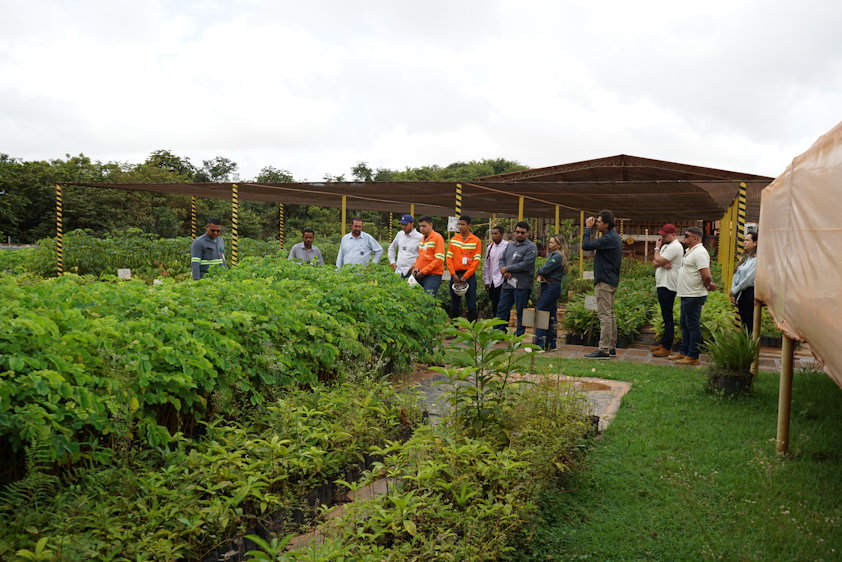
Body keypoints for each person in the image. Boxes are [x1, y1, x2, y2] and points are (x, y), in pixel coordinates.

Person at [671, 226, 717, 365]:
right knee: (685, 324)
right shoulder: (690, 251)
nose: (684, 238)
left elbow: (706, 274)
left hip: (694, 294)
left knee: (692, 325)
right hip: (687, 293)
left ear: (696, 238)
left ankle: (693, 355)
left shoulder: (700, 253)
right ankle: (684, 351)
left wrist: (707, 285)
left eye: (686, 235)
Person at [581, 210, 622, 359]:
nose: (596, 224)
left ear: (606, 223)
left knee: (604, 315)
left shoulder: (609, 238)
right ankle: (610, 347)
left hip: (604, 281)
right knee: (610, 315)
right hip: (610, 279)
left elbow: (585, 246)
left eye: (598, 222)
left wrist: (587, 228)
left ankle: (603, 349)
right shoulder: (613, 237)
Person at [495, 221, 537, 336]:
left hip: (522, 285)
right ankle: (498, 334)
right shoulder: (509, 245)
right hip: (508, 284)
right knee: (502, 309)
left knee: (521, 311)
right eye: (517, 232)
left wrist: (508, 269)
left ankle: (519, 335)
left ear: (527, 233)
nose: (519, 234)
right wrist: (503, 270)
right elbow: (501, 259)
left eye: (522, 232)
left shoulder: (531, 247)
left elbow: (526, 264)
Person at [650, 223, 684, 357]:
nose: (662, 237)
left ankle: (667, 346)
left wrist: (657, 250)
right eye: (661, 235)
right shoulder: (666, 246)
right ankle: (664, 343)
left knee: (668, 316)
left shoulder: (675, 247)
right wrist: (661, 260)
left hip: (669, 285)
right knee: (665, 316)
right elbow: (655, 263)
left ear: (673, 235)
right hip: (662, 283)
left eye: (665, 235)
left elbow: (657, 259)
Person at [533, 235, 568, 351]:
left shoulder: (557, 257)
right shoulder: (557, 256)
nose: (550, 244)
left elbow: (544, 269)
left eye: (553, 243)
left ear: (559, 244)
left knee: (541, 312)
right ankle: (550, 343)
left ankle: (539, 344)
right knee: (551, 315)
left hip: (550, 287)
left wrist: (540, 271)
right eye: (550, 242)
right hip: (552, 286)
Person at [446, 216, 482, 322]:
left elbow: (476, 261)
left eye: (463, 224)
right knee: (454, 305)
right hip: (455, 275)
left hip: (469, 276)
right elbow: (448, 258)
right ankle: (454, 330)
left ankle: (473, 332)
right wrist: (453, 274)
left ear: (469, 226)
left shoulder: (476, 241)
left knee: (471, 305)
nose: (460, 226)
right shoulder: (453, 240)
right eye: (459, 224)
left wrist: (466, 276)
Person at [730, 230, 758, 334]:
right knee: (744, 322)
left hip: (749, 293)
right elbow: (736, 274)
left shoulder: (756, 260)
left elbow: (748, 279)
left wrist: (735, 289)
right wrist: (734, 291)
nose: (744, 242)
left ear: (755, 243)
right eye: (744, 240)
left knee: (749, 322)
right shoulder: (744, 258)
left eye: (747, 240)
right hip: (741, 293)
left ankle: (749, 346)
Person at [412, 216, 445, 296]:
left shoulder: (437, 238)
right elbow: (420, 256)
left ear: (431, 225)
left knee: (428, 299)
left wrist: (424, 271)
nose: (421, 228)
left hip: (432, 275)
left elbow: (439, 259)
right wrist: (416, 267)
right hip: (420, 274)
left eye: (424, 226)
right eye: (420, 226)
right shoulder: (422, 239)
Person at [482, 225, 509, 320]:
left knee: (503, 305)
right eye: (492, 234)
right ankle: (495, 327)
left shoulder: (507, 246)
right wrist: (486, 280)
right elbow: (487, 265)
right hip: (492, 281)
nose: (493, 236)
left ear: (502, 235)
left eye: (496, 234)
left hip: (502, 280)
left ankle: (503, 328)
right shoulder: (490, 247)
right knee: (494, 305)